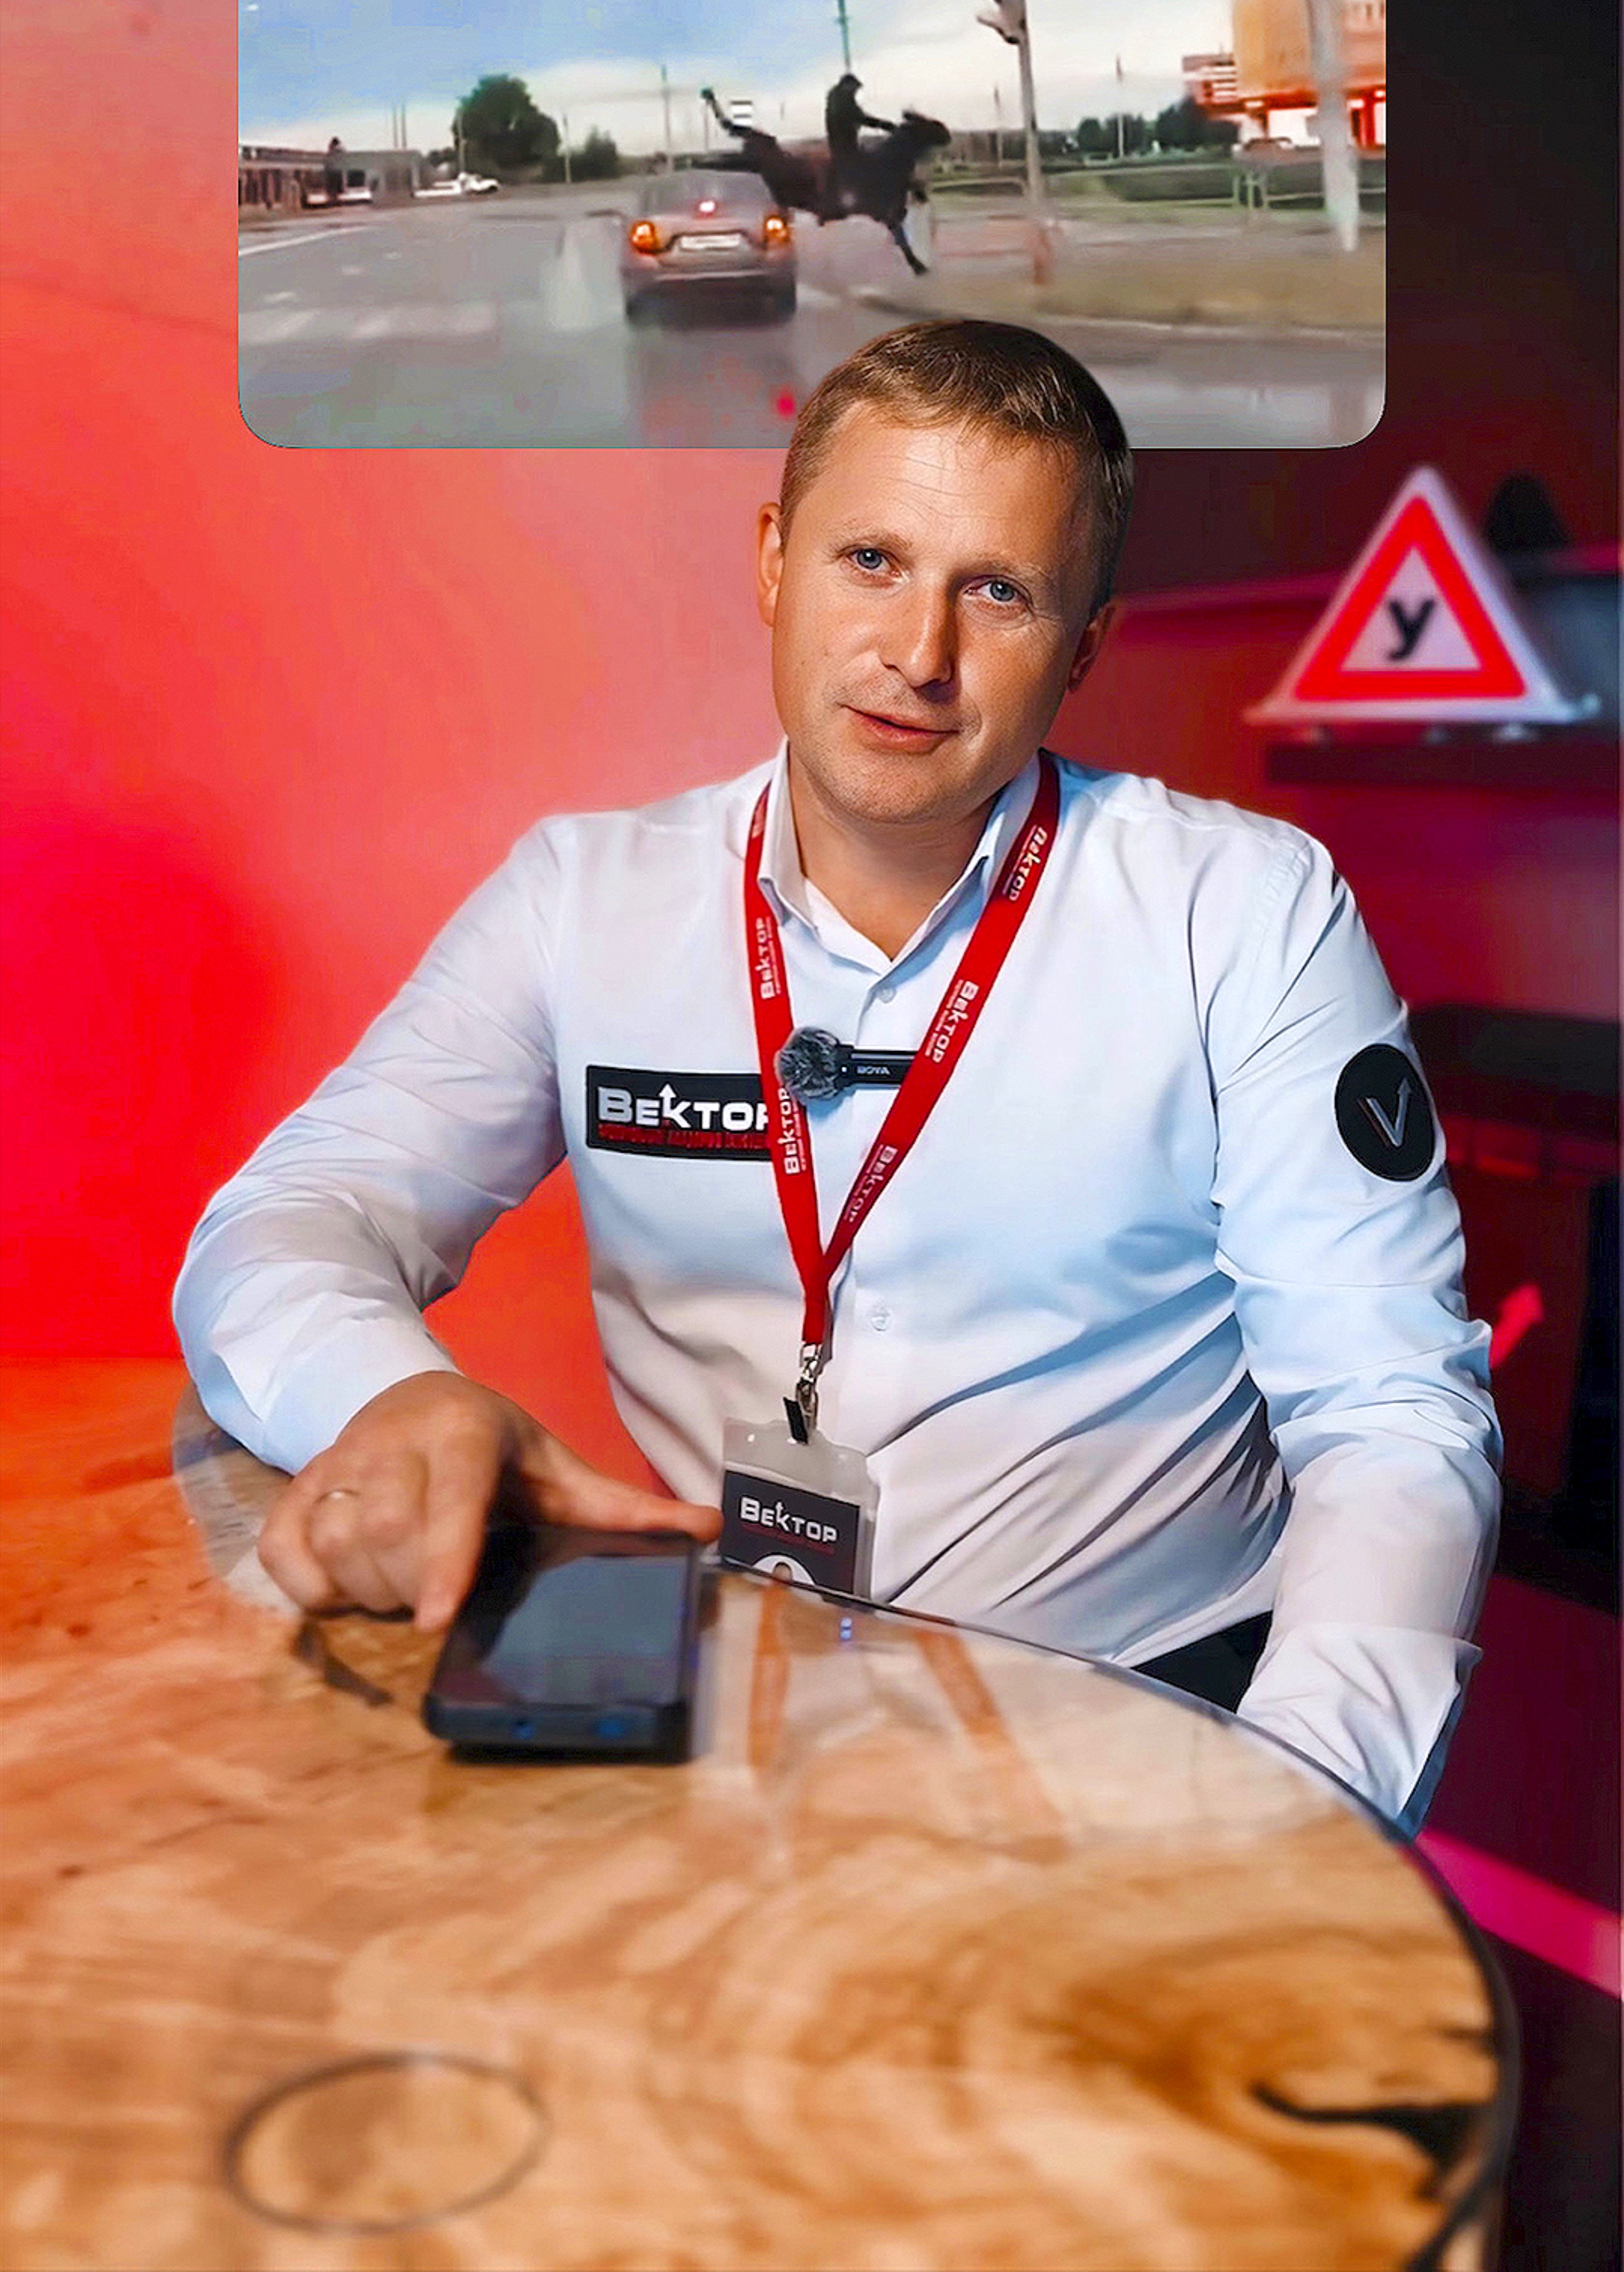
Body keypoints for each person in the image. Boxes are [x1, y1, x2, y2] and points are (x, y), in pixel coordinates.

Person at [174, 319, 1498, 1832]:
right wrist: (395, 1398)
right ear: (771, 564)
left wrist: (1307, 1819)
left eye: (996, 591)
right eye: (871, 559)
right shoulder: (578, 900)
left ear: (1083, 646)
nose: (918, 654)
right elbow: (289, 1219)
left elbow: (1391, 1415)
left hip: (1142, 1716)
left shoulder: (1247, 910)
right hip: (733, 1707)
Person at [822, 71, 896, 217]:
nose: (856, 92)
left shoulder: (839, 99)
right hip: (843, 144)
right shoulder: (841, 101)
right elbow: (859, 117)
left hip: (844, 141)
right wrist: (884, 125)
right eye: (855, 89)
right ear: (848, 86)